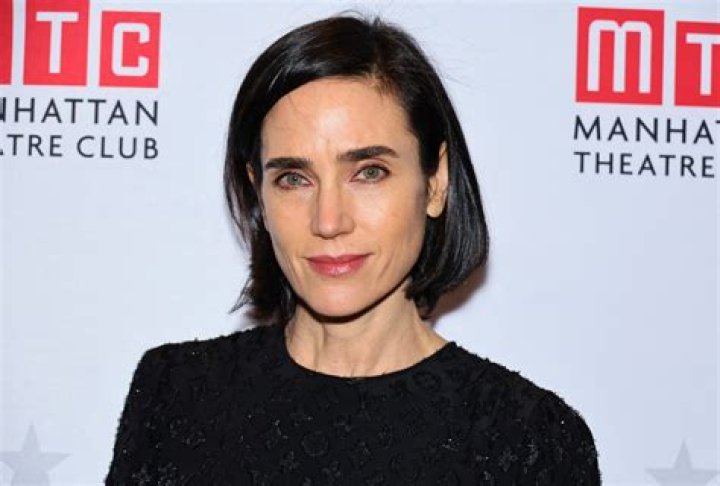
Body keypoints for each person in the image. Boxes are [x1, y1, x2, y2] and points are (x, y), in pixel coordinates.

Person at [106, 13, 601, 485]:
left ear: (435, 182)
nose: (328, 221)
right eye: (293, 178)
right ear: (258, 192)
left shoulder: (529, 438)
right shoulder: (174, 393)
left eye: (369, 172)